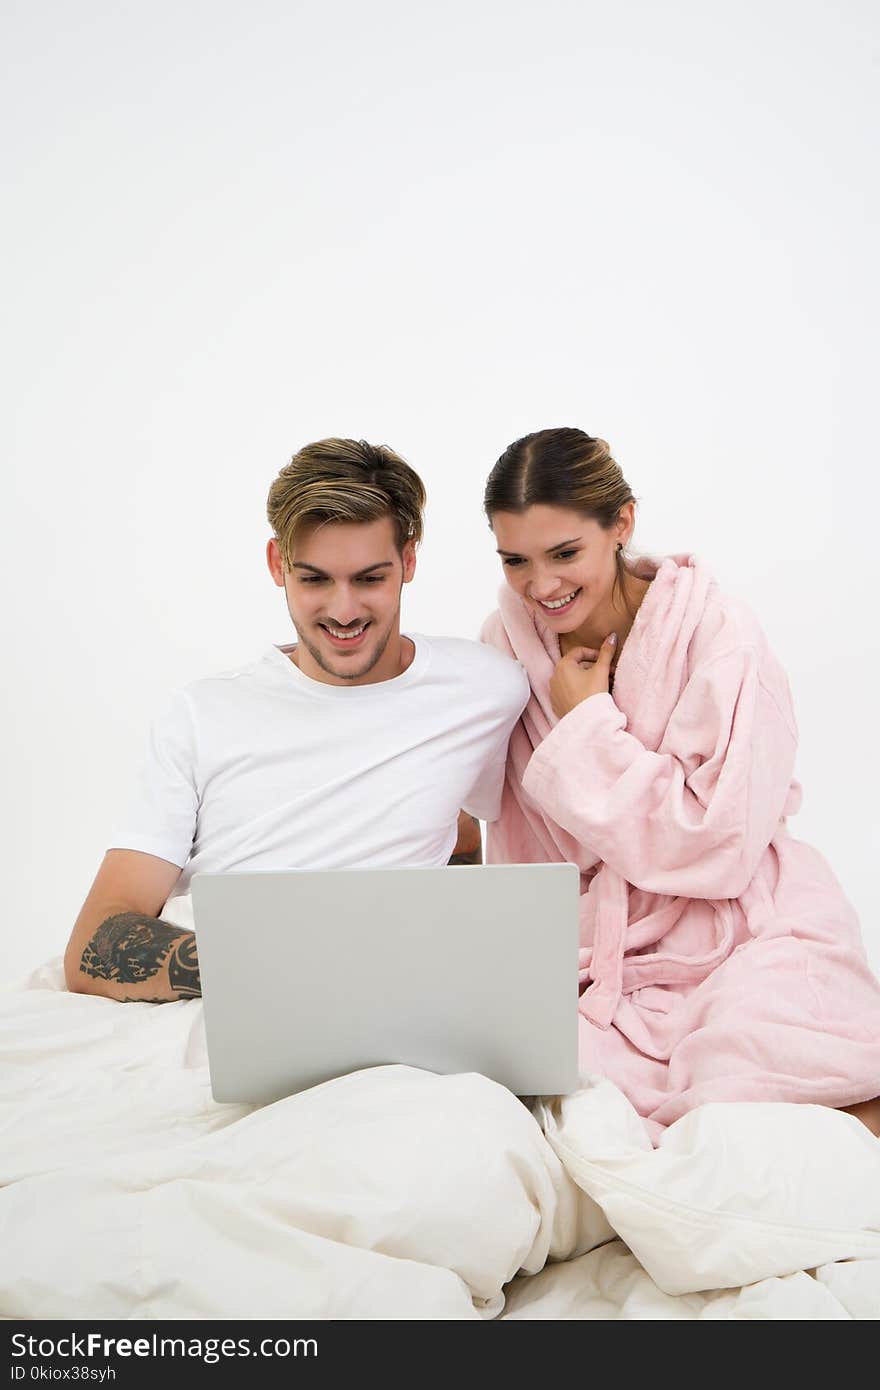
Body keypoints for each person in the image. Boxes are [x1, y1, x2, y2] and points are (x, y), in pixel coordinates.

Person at [479, 426, 880, 1142]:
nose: (541, 585)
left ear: (621, 523)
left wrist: (589, 727)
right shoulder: (507, 644)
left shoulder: (720, 634)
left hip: (748, 920)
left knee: (776, 1075)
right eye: (516, 560)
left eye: (565, 553)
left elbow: (717, 844)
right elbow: (510, 831)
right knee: (540, 1102)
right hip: (599, 946)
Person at [65, 438, 528, 1003]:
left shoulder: (488, 687)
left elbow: (460, 829)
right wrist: (277, 970)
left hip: (391, 1002)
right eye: (313, 579)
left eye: (368, 578)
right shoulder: (200, 714)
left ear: (408, 560)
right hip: (219, 1001)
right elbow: (98, 938)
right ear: (276, 564)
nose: (343, 610)